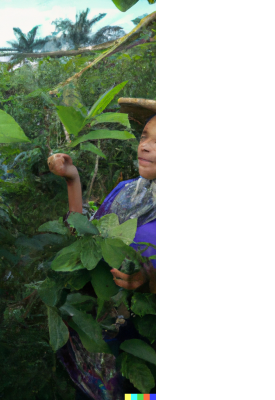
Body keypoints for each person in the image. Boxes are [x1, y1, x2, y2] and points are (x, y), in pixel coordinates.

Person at [47, 97, 156, 399]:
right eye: (145, 136)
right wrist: (73, 181)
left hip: (146, 341)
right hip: (104, 330)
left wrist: (151, 282)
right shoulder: (127, 192)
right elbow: (85, 241)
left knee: (142, 392)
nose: (145, 146)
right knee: (105, 391)